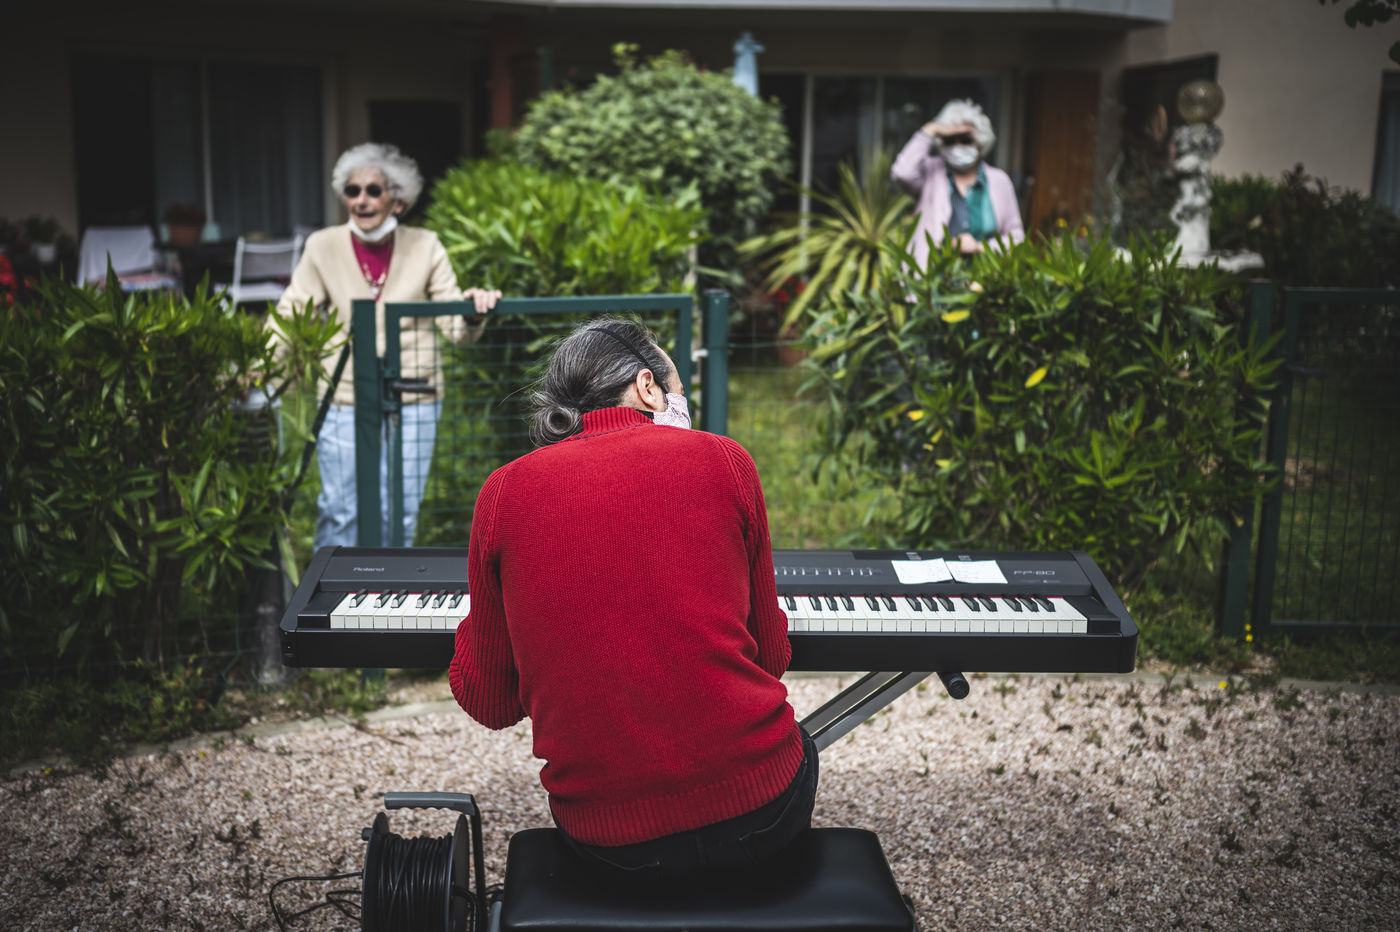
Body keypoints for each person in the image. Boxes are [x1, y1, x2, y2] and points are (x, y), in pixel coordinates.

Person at [448, 317, 816, 876]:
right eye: (679, 391)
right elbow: (771, 657)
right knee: (798, 745)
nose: (683, 405)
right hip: (762, 814)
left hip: (609, 843)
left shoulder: (503, 492)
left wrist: (488, 621)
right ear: (648, 387)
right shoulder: (725, 460)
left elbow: (490, 703)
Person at [277, 142, 501, 549]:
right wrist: (258, 370)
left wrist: (472, 312)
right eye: (352, 190)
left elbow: (455, 326)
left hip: (412, 395)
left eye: (373, 190)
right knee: (339, 509)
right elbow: (291, 315)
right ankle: (335, 587)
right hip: (346, 393)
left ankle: (386, 585)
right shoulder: (322, 246)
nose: (361, 200)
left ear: (397, 200)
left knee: (399, 510)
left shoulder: (426, 245)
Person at [891, 99, 1025, 267]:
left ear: (980, 142)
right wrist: (931, 130)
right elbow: (902, 173)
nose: (957, 146)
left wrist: (980, 247)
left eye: (965, 139)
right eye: (950, 140)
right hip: (932, 277)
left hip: (983, 277)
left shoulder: (1000, 181)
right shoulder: (930, 172)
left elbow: (1016, 238)